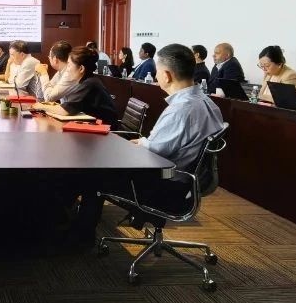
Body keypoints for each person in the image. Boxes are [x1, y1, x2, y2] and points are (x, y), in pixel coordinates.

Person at [75, 44, 224, 239]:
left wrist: (130, 146)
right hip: (185, 181)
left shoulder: (181, 109)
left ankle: (81, 237)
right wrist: (141, 143)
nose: (156, 76)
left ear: (167, 75)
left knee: (92, 175)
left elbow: (153, 153)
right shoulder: (208, 103)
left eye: (158, 71)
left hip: (164, 184)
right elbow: (166, 144)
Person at [50, 46, 119, 126]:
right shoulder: (88, 80)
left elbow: (64, 111)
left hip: (106, 131)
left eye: (69, 65)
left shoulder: (89, 84)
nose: (67, 69)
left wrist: (39, 107)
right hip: (95, 127)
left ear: (81, 69)